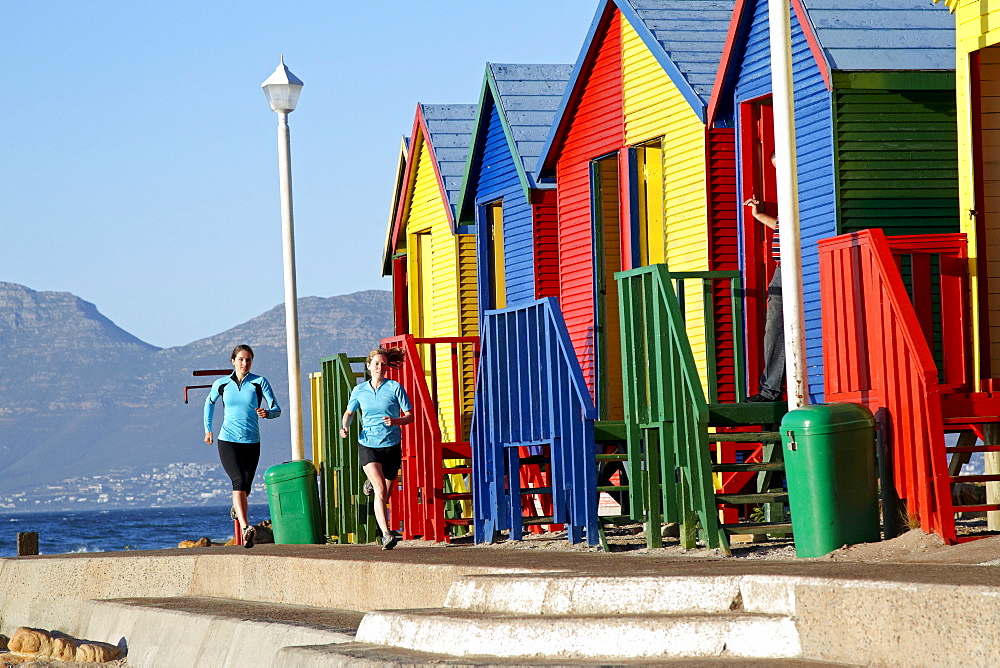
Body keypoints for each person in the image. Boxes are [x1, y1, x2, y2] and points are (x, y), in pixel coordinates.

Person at [203, 344, 281, 548]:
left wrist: (267, 413)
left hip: (251, 441)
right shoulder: (222, 384)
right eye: (241, 359)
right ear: (233, 361)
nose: (244, 363)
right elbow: (209, 403)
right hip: (227, 440)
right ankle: (247, 527)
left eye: (248, 360)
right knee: (237, 480)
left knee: (245, 486)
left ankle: (236, 507)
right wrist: (208, 429)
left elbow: (276, 409)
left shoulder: (259, 382)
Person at [340, 346, 413, 550]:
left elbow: (410, 416)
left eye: (383, 364)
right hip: (368, 444)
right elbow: (349, 412)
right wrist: (344, 427)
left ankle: (370, 484)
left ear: (387, 367)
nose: (380, 367)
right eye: (376, 364)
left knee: (385, 494)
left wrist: (396, 420)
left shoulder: (395, 387)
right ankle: (386, 534)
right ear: (369, 366)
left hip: (391, 445)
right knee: (380, 489)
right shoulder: (359, 390)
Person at [743, 152, 784, 402]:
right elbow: (784, 225)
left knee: (778, 326)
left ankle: (771, 391)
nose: (780, 172)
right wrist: (759, 216)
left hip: (799, 266)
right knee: (775, 327)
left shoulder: (802, 188)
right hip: (782, 269)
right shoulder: (791, 190)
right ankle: (770, 390)